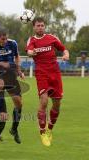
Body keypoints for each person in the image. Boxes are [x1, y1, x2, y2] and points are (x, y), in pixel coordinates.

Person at [26, 17, 69, 147]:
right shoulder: (32, 40)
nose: (40, 27)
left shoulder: (52, 38)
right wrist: (31, 52)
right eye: (38, 25)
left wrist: (66, 54)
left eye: (42, 25)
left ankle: (50, 129)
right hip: (41, 74)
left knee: (56, 104)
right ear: (34, 27)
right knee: (44, 101)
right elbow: (28, 51)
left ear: (44, 27)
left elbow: (64, 49)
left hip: (55, 73)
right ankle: (42, 132)